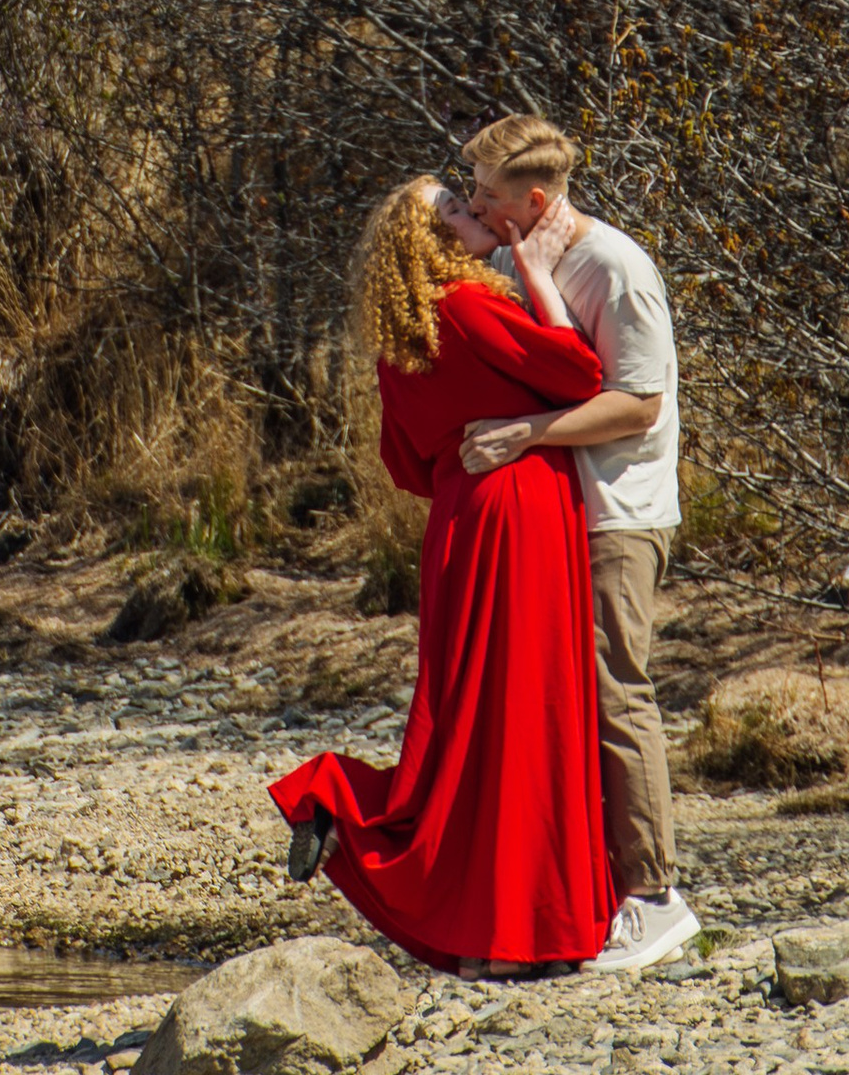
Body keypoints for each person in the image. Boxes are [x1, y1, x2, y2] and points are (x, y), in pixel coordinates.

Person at [271, 179, 615, 975]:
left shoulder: (406, 331)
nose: (475, 215)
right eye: (457, 212)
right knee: (519, 719)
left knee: (472, 721)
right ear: (432, 240)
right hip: (520, 513)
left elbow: (404, 464)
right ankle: (514, 926)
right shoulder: (466, 305)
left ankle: (484, 928)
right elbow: (578, 373)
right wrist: (534, 275)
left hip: (461, 517)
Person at [454, 114, 701, 976]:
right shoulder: (527, 258)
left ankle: (656, 899)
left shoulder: (617, 267)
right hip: (564, 517)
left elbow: (639, 404)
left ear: (532, 198)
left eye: (484, 193)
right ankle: (587, 898)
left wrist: (523, 433)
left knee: (615, 691)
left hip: (620, 515)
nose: (473, 204)